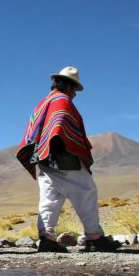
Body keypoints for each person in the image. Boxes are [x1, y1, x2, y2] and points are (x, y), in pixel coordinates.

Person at [16, 66, 121, 252]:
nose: (74, 94)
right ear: (68, 86)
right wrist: (65, 146)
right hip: (63, 156)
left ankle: (47, 239)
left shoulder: (43, 102)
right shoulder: (62, 101)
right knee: (85, 191)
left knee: (50, 197)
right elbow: (60, 124)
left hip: (42, 156)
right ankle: (94, 237)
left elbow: (36, 130)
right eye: (74, 89)